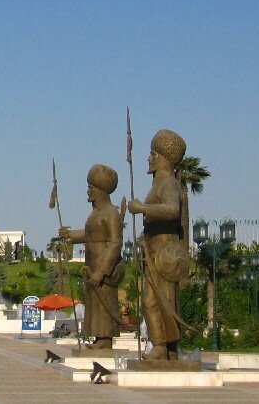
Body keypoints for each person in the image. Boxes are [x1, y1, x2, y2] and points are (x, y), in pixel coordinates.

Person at [128, 129, 190, 360]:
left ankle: (162, 346)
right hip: (153, 248)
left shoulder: (169, 184)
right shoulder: (159, 184)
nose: (149, 157)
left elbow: (172, 210)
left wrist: (143, 209)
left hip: (165, 251)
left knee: (157, 300)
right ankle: (166, 348)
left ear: (163, 157)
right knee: (156, 299)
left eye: (152, 153)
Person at [59, 164, 124, 350]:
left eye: (91, 187)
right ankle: (98, 337)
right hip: (92, 266)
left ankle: (105, 339)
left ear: (101, 190)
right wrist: (70, 235)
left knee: (105, 302)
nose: (88, 191)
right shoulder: (96, 213)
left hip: (104, 269)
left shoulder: (111, 213)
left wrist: (102, 271)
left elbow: (115, 243)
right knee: (95, 304)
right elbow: (89, 235)